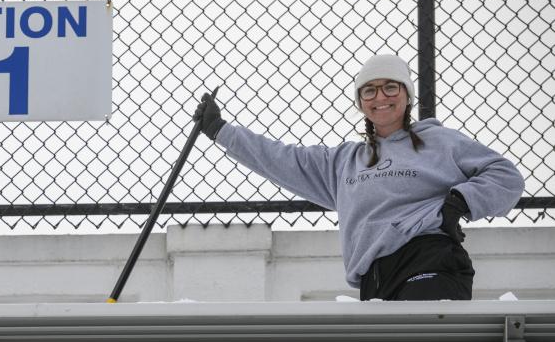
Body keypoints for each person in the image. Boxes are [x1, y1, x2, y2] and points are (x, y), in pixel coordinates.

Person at [194, 53, 524, 301]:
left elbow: (506, 176)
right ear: (361, 102)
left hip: (429, 261)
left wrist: (458, 203)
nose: (380, 98)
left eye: (390, 87)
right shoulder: (344, 162)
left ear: (406, 94)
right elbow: (281, 159)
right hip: (374, 279)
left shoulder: (440, 142)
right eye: (369, 91)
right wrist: (220, 130)